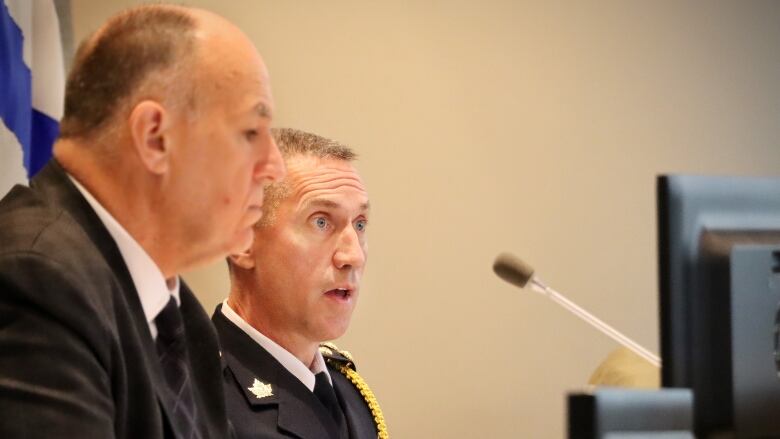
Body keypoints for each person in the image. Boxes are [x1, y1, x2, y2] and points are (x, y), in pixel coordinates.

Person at [0, 4, 284, 438]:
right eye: (250, 132)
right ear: (155, 137)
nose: (274, 167)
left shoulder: (183, 317)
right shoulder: (36, 278)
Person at [213, 128, 387, 439]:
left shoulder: (348, 390)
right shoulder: (197, 397)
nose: (353, 255)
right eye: (321, 221)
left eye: (359, 224)